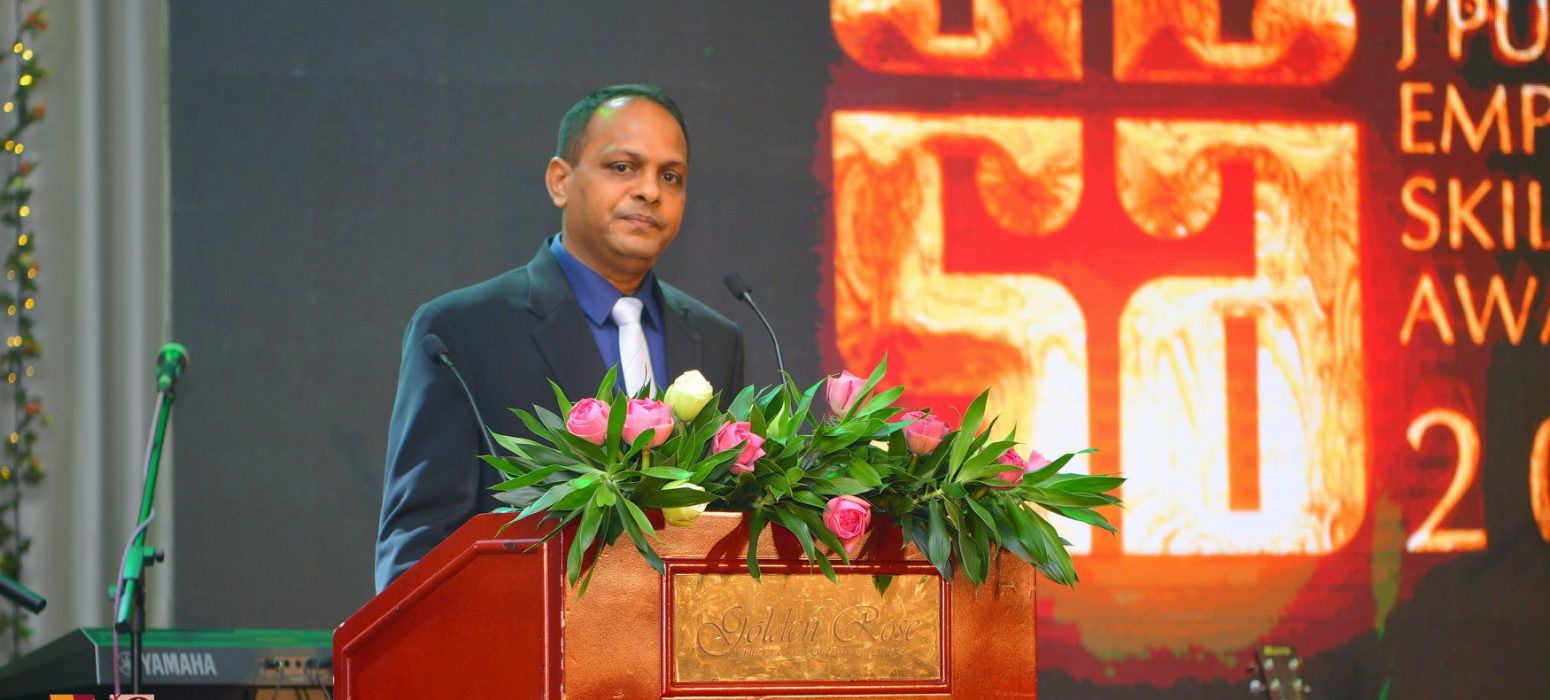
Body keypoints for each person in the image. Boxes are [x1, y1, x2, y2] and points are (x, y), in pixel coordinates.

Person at [375, 84, 744, 591]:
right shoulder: (462, 332)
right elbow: (417, 550)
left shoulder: (716, 340)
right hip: (521, 632)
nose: (650, 191)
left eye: (670, 176)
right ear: (560, 181)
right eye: (623, 167)